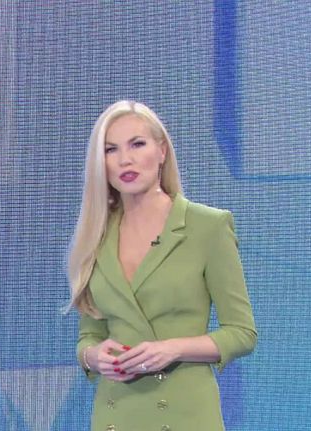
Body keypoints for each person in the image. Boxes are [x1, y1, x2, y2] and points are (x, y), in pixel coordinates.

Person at [68, 100, 256, 431]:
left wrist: (173, 349)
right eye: (111, 149)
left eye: (137, 144)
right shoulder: (96, 235)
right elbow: (90, 334)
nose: (125, 159)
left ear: (162, 151)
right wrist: (92, 357)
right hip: (116, 414)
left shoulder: (208, 227)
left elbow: (241, 333)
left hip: (184, 414)